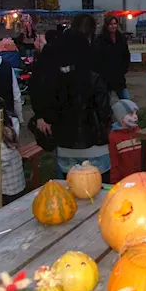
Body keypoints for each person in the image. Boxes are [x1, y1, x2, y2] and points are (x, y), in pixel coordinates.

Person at [40, 14, 113, 182]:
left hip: (66, 144)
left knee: (70, 191)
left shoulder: (55, 78)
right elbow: (104, 111)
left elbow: (50, 109)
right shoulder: (94, 78)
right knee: (100, 191)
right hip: (94, 144)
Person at [108, 99, 146, 183]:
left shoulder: (141, 134)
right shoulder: (113, 138)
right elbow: (114, 164)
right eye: (131, 114)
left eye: (136, 113)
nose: (135, 117)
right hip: (127, 182)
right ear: (121, 118)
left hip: (145, 180)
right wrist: (115, 183)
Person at [95, 15, 131, 99]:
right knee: (105, 102)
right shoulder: (101, 39)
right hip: (106, 77)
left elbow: (126, 54)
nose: (113, 26)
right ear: (106, 25)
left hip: (119, 76)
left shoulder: (121, 38)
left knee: (127, 100)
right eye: (110, 24)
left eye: (115, 23)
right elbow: (98, 57)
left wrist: (124, 68)